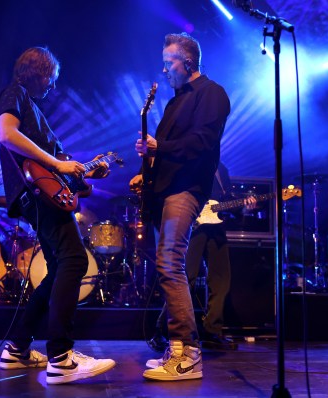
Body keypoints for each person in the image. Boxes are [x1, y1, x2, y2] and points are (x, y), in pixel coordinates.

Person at [0, 47, 115, 385]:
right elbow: (6, 133)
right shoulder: (14, 93)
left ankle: (17, 348)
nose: (53, 87)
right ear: (40, 72)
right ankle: (61, 358)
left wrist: (83, 174)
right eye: (52, 79)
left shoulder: (34, 109)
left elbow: (56, 163)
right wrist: (59, 164)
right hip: (36, 194)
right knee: (75, 261)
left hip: (43, 193)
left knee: (59, 268)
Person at [129, 32, 230, 381]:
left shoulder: (212, 93)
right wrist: (149, 170)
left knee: (171, 260)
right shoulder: (174, 102)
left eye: (168, 61)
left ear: (187, 62)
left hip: (187, 189)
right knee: (167, 263)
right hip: (166, 190)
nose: (164, 67)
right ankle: (178, 348)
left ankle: (187, 351)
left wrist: (160, 149)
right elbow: (168, 149)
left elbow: (202, 143)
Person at [148, 162, 257, 352]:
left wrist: (244, 207)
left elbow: (226, 200)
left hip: (216, 228)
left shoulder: (222, 168)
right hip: (194, 226)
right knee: (184, 278)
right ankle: (162, 331)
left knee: (221, 279)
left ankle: (211, 331)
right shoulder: (193, 159)